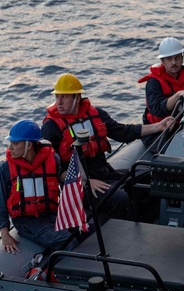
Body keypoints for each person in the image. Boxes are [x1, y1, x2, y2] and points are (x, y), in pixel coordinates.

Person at [41, 73, 172, 219]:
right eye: (57, 97)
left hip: (106, 174)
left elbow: (123, 132)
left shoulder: (96, 114)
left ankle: (147, 221)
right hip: (78, 186)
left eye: (64, 97)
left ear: (77, 98)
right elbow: (52, 167)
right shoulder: (51, 127)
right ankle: (128, 229)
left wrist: (158, 126)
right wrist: (86, 182)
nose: (59, 102)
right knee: (120, 199)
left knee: (149, 176)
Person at [0, 120, 69, 253]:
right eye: (11, 143)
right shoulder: (6, 169)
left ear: (29, 145)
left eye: (15, 143)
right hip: (27, 222)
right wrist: (5, 234)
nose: (10, 148)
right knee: (67, 239)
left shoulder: (53, 159)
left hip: (52, 214)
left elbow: (62, 182)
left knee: (83, 231)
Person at [138, 37, 184, 145]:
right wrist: (178, 95)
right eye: (169, 59)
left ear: (182, 58)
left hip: (181, 127)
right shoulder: (153, 83)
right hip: (157, 133)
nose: (174, 62)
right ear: (162, 61)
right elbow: (157, 110)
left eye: (177, 58)